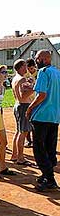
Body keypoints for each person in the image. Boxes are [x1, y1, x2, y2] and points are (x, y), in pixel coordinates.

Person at [26, 50, 60, 191]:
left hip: (42, 115)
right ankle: (47, 174)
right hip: (54, 115)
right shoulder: (57, 72)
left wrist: (30, 108)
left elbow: (42, 94)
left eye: (37, 58)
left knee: (39, 148)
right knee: (50, 146)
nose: (35, 61)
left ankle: (49, 178)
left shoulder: (44, 72)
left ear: (44, 59)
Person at [10, 59, 34, 165]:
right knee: (23, 132)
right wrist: (34, 88)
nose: (26, 68)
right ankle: (20, 157)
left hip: (18, 106)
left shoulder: (15, 78)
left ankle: (14, 155)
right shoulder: (22, 79)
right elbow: (23, 96)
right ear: (20, 67)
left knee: (18, 131)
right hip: (23, 106)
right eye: (24, 66)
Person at [24, 58, 37, 148]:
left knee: (36, 122)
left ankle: (36, 140)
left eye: (31, 68)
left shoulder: (39, 73)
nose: (30, 70)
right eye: (28, 68)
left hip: (37, 101)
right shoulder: (25, 75)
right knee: (27, 121)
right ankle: (28, 140)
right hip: (28, 100)